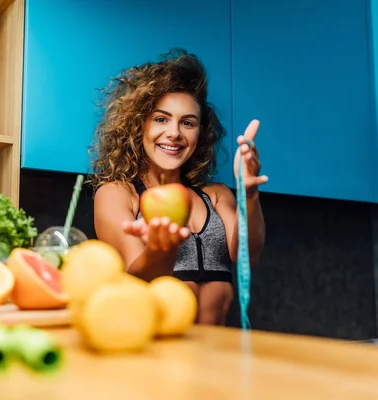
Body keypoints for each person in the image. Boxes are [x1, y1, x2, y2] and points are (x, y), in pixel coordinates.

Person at [89, 49, 267, 326]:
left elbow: (248, 255)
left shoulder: (216, 195)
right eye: (161, 119)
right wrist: (165, 246)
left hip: (219, 353)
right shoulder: (118, 194)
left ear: (200, 133)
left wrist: (249, 196)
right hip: (156, 358)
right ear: (139, 126)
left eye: (187, 122)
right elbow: (136, 276)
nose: (174, 133)